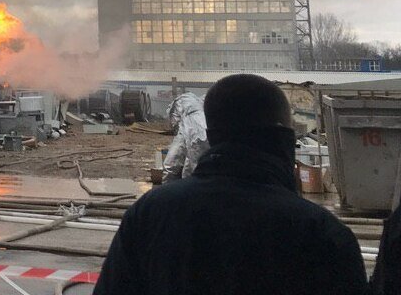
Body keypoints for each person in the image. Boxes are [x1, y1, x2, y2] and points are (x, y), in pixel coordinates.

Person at [94, 73, 368, 295]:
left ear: (213, 133)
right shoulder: (322, 234)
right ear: (283, 137)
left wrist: (172, 187)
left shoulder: (149, 214)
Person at [162, 92, 207, 181]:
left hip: (198, 139)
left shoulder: (187, 122)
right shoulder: (201, 104)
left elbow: (171, 165)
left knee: (190, 172)